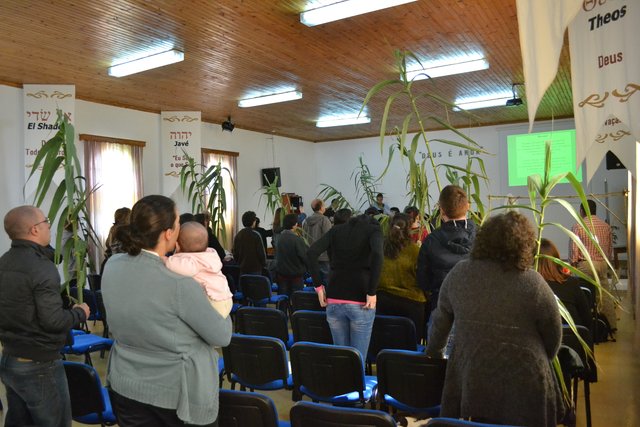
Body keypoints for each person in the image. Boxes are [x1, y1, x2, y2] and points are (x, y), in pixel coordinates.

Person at [102, 195, 232, 427]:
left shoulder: (113, 265)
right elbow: (222, 335)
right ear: (168, 233)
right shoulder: (180, 284)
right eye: (177, 223)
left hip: (126, 384)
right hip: (175, 394)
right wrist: (220, 295)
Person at [426, 211, 562, 426]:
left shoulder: (459, 274)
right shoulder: (533, 282)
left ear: (482, 239)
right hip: (525, 377)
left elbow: (440, 323)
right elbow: (553, 335)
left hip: (471, 373)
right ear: (525, 244)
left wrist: (434, 353)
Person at [0, 205, 90, 427]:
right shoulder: (40, 268)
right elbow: (53, 322)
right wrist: (80, 312)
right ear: (33, 230)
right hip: (39, 364)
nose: (50, 225)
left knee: (20, 421)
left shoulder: (5, 261)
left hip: (11, 357)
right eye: (45, 222)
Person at [307, 214, 383, 362]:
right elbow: (378, 254)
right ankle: (354, 385)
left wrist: (318, 287)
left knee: (341, 359)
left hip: (334, 299)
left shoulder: (336, 230)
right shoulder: (374, 230)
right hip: (361, 300)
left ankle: (342, 385)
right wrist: (372, 291)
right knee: (357, 360)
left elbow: (311, 253)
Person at [417, 185, 476, 316]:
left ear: (441, 210)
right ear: (468, 206)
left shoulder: (431, 240)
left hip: (442, 308)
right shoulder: (483, 237)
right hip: (475, 309)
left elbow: (423, 280)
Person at [165, 221, 233, 318]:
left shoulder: (192, 261)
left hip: (213, 301)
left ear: (177, 245)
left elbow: (178, 267)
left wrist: (167, 260)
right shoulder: (210, 254)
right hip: (225, 297)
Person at [376, 213, 425, 342]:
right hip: (411, 304)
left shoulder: (380, 247)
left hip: (382, 302)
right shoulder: (415, 251)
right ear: (409, 229)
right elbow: (422, 277)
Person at [569, 199, 616, 332]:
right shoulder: (605, 226)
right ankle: (611, 325)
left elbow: (574, 249)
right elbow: (609, 248)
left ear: (582, 210)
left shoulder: (578, 226)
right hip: (602, 264)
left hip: (586, 265)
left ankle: (587, 326)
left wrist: (573, 264)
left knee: (584, 296)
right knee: (605, 295)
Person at [538, 238, 592, 331]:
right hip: (573, 341)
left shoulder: (530, 287)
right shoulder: (572, 283)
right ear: (557, 259)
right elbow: (587, 319)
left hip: (542, 343)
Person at [274, 213, 309, 297]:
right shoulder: (297, 240)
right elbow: (305, 257)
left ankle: (281, 310)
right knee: (297, 300)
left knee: (282, 299)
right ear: (295, 225)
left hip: (281, 274)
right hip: (296, 275)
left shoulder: (279, 238)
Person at [302, 199, 332, 285]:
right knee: (326, 282)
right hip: (324, 256)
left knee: (315, 283)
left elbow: (304, 238)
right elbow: (328, 238)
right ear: (321, 207)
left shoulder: (306, 221)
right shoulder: (324, 220)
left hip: (311, 256)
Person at [232, 211, 266, 275]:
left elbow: (235, 253)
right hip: (256, 270)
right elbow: (261, 254)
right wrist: (264, 265)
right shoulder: (256, 235)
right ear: (253, 222)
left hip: (242, 269)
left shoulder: (238, 235)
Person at [101, 207, 131, 275]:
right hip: (122, 265)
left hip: (110, 263)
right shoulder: (126, 231)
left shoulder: (113, 228)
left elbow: (107, 244)